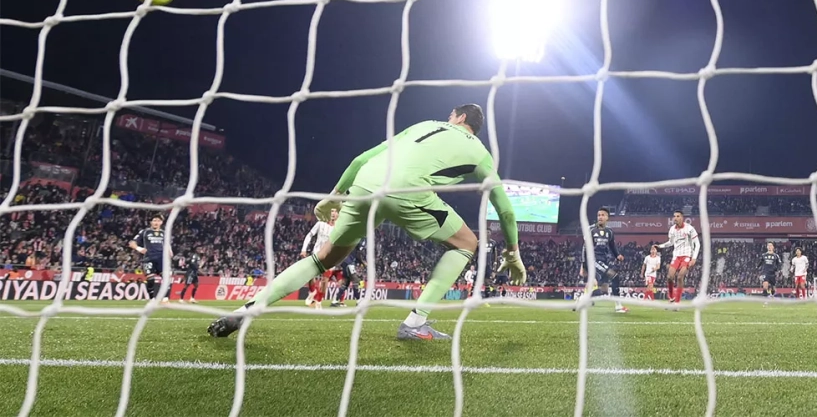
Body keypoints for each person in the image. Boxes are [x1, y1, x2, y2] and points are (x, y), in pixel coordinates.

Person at [207, 104, 526, 340]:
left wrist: (334, 195)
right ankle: (416, 322)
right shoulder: (481, 153)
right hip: (407, 191)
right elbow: (506, 210)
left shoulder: (424, 125)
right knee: (467, 242)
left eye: (450, 115)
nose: (447, 118)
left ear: (459, 117)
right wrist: (512, 252)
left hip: (366, 182)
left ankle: (245, 310)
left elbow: (360, 159)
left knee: (322, 259)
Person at [578, 207, 628, 313]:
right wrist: (583, 265)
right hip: (593, 260)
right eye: (599, 215)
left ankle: (583, 299)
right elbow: (584, 248)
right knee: (615, 276)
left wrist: (617, 255)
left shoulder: (609, 231)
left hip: (604, 260)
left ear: (607, 218)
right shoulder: (591, 230)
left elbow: (612, 245)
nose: (600, 217)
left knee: (604, 289)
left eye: (602, 215)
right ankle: (618, 306)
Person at [659, 211, 700, 305]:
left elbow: (697, 244)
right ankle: (671, 298)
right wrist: (660, 246)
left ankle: (677, 302)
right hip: (676, 256)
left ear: (682, 218)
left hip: (687, 255)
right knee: (669, 277)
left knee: (680, 277)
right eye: (674, 216)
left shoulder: (690, 228)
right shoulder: (672, 229)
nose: (675, 218)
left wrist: (694, 258)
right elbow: (671, 242)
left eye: (678, 216)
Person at [129, 214, 172, 303]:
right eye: (154, 220)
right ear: (151, 222)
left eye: (158, 221)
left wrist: (170, 251)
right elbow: (132, 243)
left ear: (161, 222)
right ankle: (152, 299)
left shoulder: (164, 233)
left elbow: (167, 244)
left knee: (167, 278)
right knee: (150, 279)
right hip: (149, 258)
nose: (156, 222)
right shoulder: (144, 232)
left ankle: (165, 299)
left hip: (162, 259)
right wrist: (139, 248)